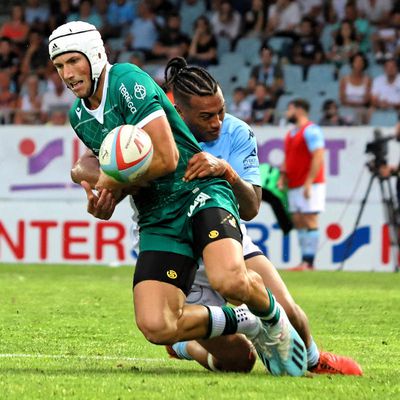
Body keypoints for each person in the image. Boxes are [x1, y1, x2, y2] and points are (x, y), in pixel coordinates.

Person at [49, 21, 308, 377]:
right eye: (60, 66)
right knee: (157, 325)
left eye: (73, 61)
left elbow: (167, 159)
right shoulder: (78, 116)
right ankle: (244, 321)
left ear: (95, 55)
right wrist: (105, 196)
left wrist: (104, 176)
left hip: (196, 191)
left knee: (230, 281)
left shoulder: (128, 82)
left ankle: (271, 315)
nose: (67, 73)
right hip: (157, 215)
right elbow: (125, 172)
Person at [162, 56, 362, 375]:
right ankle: (181, 345)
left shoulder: (237, 132)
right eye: (206, 116)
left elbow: (252, 207)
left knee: (288, 310)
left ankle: (313, 359)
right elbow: (96, 157)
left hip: (228, 233)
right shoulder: (157, 130)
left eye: (221, 111)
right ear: (180, 112)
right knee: (238, 360)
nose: (217, 122)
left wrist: (225, 171)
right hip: (177, 247)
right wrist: (92, 179)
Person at [279, 99, 325, 271]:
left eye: (289, 109)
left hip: (309, 183)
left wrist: (309, 182)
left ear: (298, 110)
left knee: (310, 218)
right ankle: (304, 260)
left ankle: (310, 262)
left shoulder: (312, 131)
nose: (286, 113)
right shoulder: (291, 133)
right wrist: (282, 176)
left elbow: (318, 156)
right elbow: (288, 158)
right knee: (298, 220)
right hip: (294, 183)